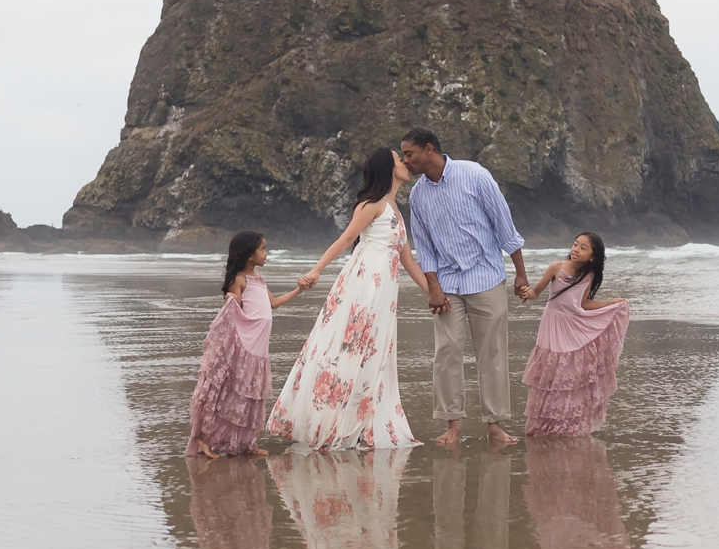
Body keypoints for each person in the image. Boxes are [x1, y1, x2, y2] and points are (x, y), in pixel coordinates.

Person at [266, 149, 430, 451]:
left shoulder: (395, 210)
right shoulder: (372, 205)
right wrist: (316, 270)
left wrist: (434, 294)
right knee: (352, 350)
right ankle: (335, 421)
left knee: (374, 352)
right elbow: (344, 240)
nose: (405, 163)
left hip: (383, 294)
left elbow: (409, 262)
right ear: (387, 169)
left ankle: (362, 421)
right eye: (398, 160)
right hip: (364, 286)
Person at [399, 127, 527, 448]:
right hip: (446, 283)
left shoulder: (475, 175)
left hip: (486, 277)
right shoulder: (417, 195)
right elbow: (424, 248)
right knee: (446, 352)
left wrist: (520, 275)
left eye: (409, 154)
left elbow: (504, 225)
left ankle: (495, 426)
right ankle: (452, 425)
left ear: (429, 149)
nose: (405, 161)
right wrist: (433, 287)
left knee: (492, 354)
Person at [185, 230, 310, 458]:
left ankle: (246, 444)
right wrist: (230, 300)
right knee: (236, 393)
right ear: (248, 254)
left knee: (253, 396)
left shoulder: (258, 279)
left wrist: (299, 290)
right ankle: (204, 437)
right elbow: (234, 309)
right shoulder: (239, 280)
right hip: (246, 343)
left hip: (260, 348)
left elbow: (273, 304)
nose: (266, 253)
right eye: (262, 248)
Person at [517, 231, 630, 438]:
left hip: (573, 325)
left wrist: (611, 303)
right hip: (552, 324)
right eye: (575, 245)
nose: (575, 249)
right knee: (550, 374)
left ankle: (567, 424)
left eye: (583, 248)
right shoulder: (556, 268)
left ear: (592, 257)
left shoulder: (589, 276)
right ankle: (545, 424)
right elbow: (534, 294)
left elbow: (583, 304)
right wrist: (525, 292)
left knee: (570, 375)